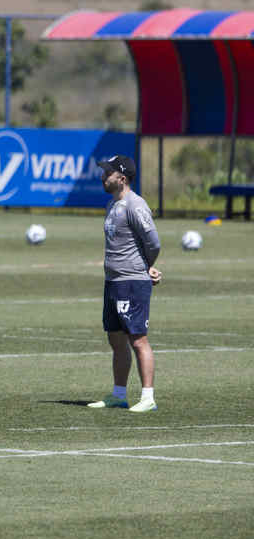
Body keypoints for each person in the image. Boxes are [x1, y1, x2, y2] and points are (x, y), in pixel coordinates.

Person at [88, 155, 161, 413]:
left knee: (138, 340)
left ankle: (148, 397)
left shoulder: (135, 205)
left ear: (122, 178)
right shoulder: (112, 205)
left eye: (107, 173)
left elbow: (153, 242)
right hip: (113, 282)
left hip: (132, 282)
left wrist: (146, 266)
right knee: (115, 339)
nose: (102, 177)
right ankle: (119, 394)